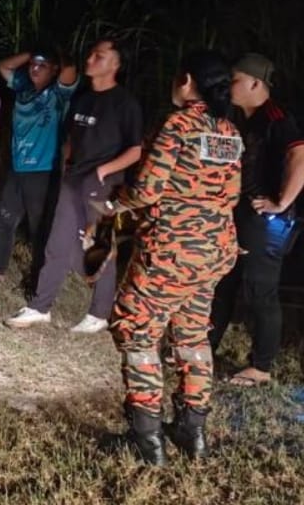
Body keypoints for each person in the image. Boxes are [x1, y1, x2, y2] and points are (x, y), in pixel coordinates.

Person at [110, 50, 242, 465]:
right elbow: (232, 195)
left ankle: (146, 438)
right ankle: (192, 431)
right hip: (214, 251)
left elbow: (147, 190)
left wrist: (116, 203)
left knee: (136, 331)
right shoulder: (229, 132)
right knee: (192, 336)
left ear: (186, 81)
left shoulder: (178, 124)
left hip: (171, 251)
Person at [4, 38, 143, 333]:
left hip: (103, 184)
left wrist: (105, 170)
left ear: (115, 64)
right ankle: (40, 307)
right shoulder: (83, 99)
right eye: (91, 54)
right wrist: (65, 165)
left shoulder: (125, 103)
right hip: (73, 180)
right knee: (57, 243)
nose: (90, 59)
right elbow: (68, 138)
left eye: (99, 56)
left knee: (99, 248)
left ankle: (99, 313)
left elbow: (135, 150)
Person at [208, 53, 304, 387]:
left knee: (260, 290)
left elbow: (299, 156)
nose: (229, 86)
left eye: (234, 79)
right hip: (243, 215)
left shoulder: (275, 117)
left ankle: (261, 367)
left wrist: (282, 203)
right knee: (224, 282)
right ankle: (203, 348)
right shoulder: (242, 119)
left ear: (255, 83)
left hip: (266, 220)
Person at [0, 47, 78, 287]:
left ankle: (39, 279)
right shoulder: (23, 87)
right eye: (33, 64)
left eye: (42, 65)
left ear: (54, 70)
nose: (35, 68)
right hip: (17, 168)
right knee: (4, 219)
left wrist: (53, 53)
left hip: (43, 171)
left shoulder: (58, 93)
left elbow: (69, 69)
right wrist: (32, 53)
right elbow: (3, 66)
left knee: (39, 228)